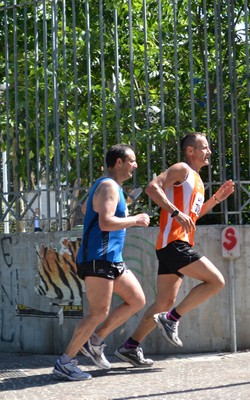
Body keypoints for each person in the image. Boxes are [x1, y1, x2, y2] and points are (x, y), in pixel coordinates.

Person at [115, 132, 234, 364]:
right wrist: (175, 212)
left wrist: (216, 199)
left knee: (164, 302)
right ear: (191, 151)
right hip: (174, 244)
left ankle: (131, 346)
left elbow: (193, 216)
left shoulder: (198, 182)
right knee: (216, 281)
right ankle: (172, 319)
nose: (209, 151)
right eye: (205, 147)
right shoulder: (182, 169)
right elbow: (152, 188)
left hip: (173, 245)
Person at [52, 144, 151, 381]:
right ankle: (66, 362)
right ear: (119, 162)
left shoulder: (106, 186)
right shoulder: (108, 186)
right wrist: (134, 219)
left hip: (111, 258)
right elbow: (106, 222)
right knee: (97, 313)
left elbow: (88, 209)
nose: (135, 166)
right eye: (132, 161)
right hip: (99, 257)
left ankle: (95, 341)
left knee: (137, 300)